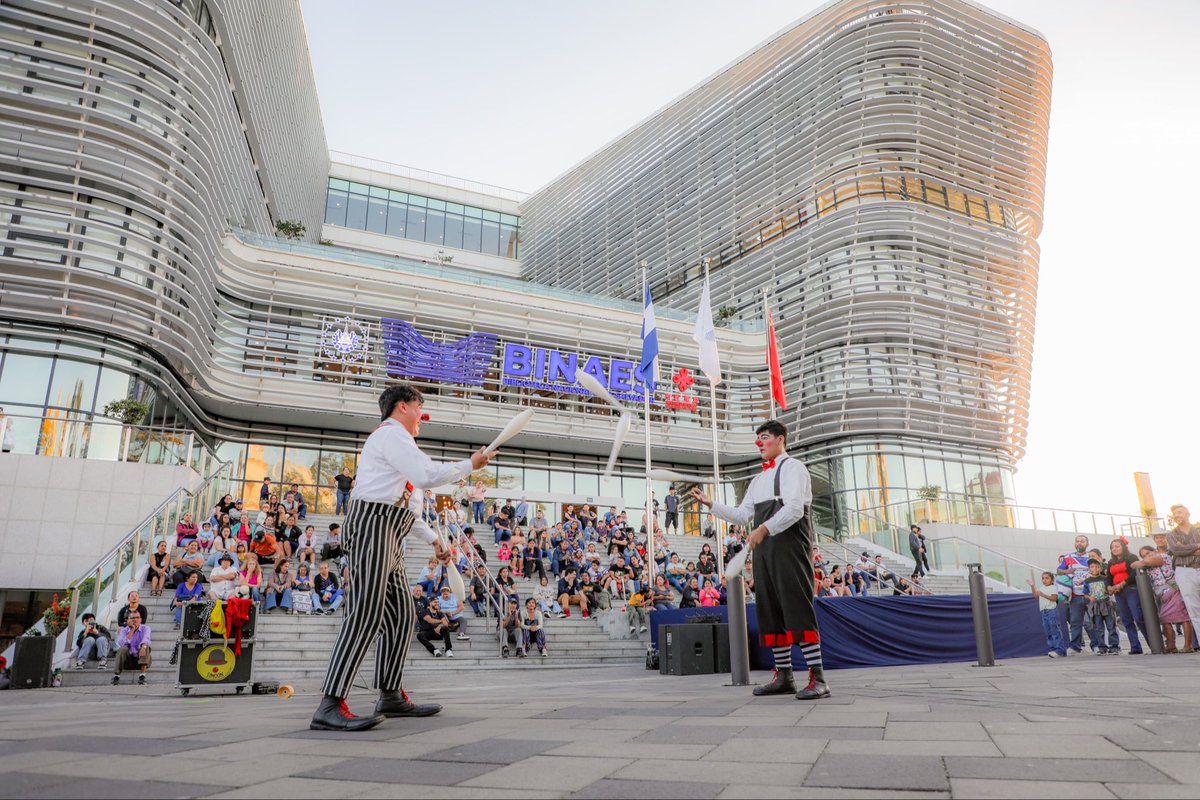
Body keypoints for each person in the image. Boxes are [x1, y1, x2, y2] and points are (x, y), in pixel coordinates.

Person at [311, 383, 495, 732]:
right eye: (419, 409)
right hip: (371, 528)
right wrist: (470, 463)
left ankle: (391, 694)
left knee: (400, 615)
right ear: (402, 407)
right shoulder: (391, 435)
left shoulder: (402, 444)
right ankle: (330, 702)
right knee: (366, 611)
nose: (421, 419)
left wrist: (433, 540)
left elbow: (406, 509)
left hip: (390, 529)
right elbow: (426, 476)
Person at [691, 418, 830, 700]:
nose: (760, 444)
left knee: (797, 608)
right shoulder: (758, 480)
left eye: (764, 437)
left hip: (790, 548)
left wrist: (764, 529)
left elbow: (794, 510)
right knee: (770, 612)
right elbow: (743, 516)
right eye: (758, 439)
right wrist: (711, 504)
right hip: (765, 552)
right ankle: (784, 676)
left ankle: (818, 678)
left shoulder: (794, 468)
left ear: (780, 439)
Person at [1134, 540, 1193, 652]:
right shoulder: (1148, 564)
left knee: (1183, 617)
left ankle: (1187, 645)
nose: (1146, 557)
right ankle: (1171, 645)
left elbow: (1136, 564)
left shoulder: (1163, 557)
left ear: (1155, 551)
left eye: (1148, 553)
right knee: (1165, 619)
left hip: (1173, 588)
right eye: (1143, 556)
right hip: (1161, 594)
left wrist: (1141, 562)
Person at [1106, 538, 1147, 655]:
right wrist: (1109, 586)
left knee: (1138, 617)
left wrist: (1122, 584)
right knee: (1126, 620)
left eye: (1117, 546)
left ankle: (1151, 641)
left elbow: (1134, 573)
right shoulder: (1110, 562)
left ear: (1123, 547)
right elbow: (1109, 578)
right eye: (1112, 547)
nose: (1114, 548)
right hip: (1118, 593)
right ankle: (1135, 647)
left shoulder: (1131, 557)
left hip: (1131, 589)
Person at [1057, 535, 1093, 655]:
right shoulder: (1068, 557)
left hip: (1091, 594)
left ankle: (1098, 645)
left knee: (1092, 622)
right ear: (1074, 544)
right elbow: (1059, 570)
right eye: (1077, 541)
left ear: (1087, 544)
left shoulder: (1091, 556)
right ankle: (1075, 647)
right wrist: (1067, 571)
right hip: (1075, 594)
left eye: (1082, 541)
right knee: (1075, 622)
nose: (1079, 543)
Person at [1168, 505, 1200, 633]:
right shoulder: (1171, 534)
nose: (1176, 515)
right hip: (1184, 571)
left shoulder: (1198, 530)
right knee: (1194, 609)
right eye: (1174, 514)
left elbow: (1182, 549)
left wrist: (1185, 548)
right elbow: (1176, 550)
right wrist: (1197, 546)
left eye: (1179, 512)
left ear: (1188, 513)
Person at [1083, 558, 1119, 654]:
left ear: (1100, 568)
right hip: (1095, 606)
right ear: (1089, 569)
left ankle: (1114, 647)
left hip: (1106, 604)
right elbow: (1085, 593)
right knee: (1098, 627)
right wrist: (1090, 598)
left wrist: (1109, 590)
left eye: (1097, 567)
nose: (1094, 568)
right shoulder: (1087, 581)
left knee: (1111, 626)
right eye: (1092, 567)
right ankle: (1102, 647)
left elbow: (1109, 589)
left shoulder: (1105, 579)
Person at [1028, 572, 1066, 658]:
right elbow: (1035, 596)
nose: (1044, 580)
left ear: (1052, 580)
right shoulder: (1041, 588)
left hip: (1051, 611)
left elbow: (1054, 598)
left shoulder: (1053, 587)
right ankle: (1054, 649)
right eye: (1043, 578)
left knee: (1055, 630)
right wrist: (1032, 586)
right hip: (1044, 612)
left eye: (1047, 578)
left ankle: (1059, 650)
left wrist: (1043, 595)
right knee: (1048, 631)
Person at [111, 610, 152, 685]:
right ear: (128, 620)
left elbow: (147, 638)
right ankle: (116, 676)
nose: (135, 619)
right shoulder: (124, 630)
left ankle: (142, 676)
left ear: (141, 619)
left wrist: (143, 647)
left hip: (142, 660)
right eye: (133, 618)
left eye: (137, 617)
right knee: (123, 649)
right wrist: (132, 630)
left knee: (145, 646)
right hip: (127, 661)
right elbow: (122, 643)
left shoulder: (146, 628)